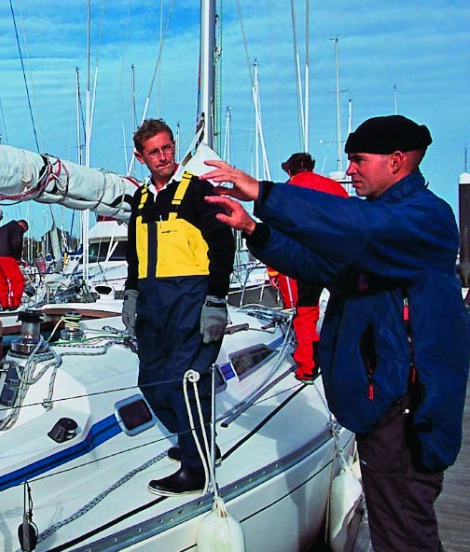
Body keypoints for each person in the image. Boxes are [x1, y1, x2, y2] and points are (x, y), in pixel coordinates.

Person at [201, 115, 470, 552]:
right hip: (383, 406)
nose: (349, 171)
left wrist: (263, 192)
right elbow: (323, 266)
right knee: (394, 529)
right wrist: (255, 229)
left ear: (397, 161)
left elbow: (357, 228)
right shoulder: (381, 226)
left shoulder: (424, 219)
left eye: (359, 160)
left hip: (405, 414)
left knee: (405, 534)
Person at [121, 119, 235, 495]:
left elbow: (223, 245)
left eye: (168, 148)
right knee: (152, 381)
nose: (164, 157)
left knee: (185, 382)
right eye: (154, 152)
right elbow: (135, 255)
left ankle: (196, 469)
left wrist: (216, 299)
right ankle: (197, 444)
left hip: (191, 298)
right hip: (153, 304)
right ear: (141, 157)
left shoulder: (197, 192)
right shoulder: (140, 200)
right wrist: (131, 293)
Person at [270, 152, 348, 382]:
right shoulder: (335, 188)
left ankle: (307, 367)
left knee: (305, 312)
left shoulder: (287, 191)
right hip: (340, 256)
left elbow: (276, 232)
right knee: (347, 309)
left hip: (305, 260)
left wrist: (274, 269)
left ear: (290, 170)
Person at [0, 219, 29, 310]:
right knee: (18, 280)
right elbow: (16, 242)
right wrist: (17, 258)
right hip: (5, 255)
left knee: (2, 281)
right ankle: (15, 304)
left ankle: (4, 304)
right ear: (23, 226)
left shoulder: (1, 229)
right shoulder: (17, 228)